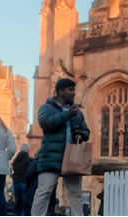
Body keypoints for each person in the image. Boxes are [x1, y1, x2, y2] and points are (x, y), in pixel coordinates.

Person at [32, 78, 91, 216]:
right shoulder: (46, 108)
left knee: (76, 194)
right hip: (51, 157)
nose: (74, 93)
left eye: (74, 90)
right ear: (60, 91)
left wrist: (81, 133)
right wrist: (66, 115)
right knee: (44, 191)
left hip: (72, 158)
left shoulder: (78, 113)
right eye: (70, 90)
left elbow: (87, 132)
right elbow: (45, 123)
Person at [11, 151, 34, 216]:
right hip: (24, 182)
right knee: (24, 203)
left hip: (16, 183)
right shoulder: (28, 160)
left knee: (17, 202)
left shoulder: (15, 162)